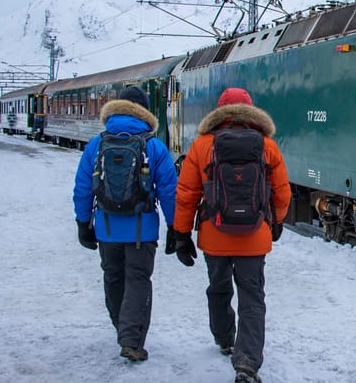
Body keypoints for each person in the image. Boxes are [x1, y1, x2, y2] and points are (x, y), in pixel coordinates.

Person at [173, 87, 291, 383]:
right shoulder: (267, 146)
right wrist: (276, 221)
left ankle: (225, 338)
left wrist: (181, 234)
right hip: (254, 235)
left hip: (214, 234)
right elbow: (282, 191)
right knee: (252, 297)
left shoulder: (202, 145)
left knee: (218, 288)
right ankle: (247, 363)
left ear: (219, 111)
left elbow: (187, 194)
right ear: (251, 111)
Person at [72, 86, 178, 362]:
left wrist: (83, 223)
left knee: (113, 278)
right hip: (142, 230)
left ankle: (122, 329)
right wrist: (176, 228)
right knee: (138, 280)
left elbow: (83, 187)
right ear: (145, 112)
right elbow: (169, 191)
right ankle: (131, 339)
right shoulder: (153, 145)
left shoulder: (97, 144)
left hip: (106, 228)